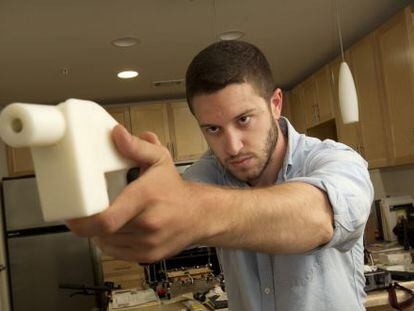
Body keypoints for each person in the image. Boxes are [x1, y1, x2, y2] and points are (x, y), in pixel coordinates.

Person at [66, 40, 374, 311]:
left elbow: (318, 217)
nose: (232, 146)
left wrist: (197, 209)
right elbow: (167, 216)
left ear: (275, 103)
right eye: (213, 129)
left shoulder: (336, 159)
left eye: (244, 119)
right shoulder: (209, 171)